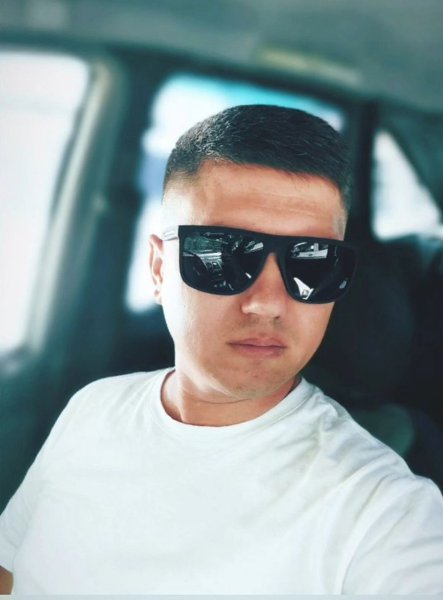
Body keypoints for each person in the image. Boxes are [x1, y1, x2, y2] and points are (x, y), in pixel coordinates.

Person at [1, 104, 443, 594]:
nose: (267, 303)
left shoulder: (384, 511)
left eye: (313, 263)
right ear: (159, 269)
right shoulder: (92, 409)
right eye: (221, 256)